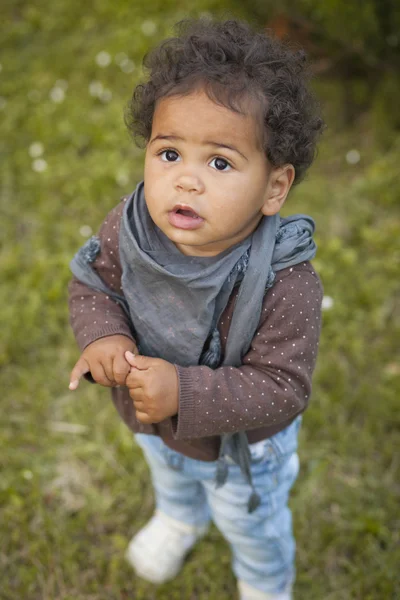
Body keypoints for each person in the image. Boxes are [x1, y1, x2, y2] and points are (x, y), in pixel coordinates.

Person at [68, 17, 324, 600]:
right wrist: (105, 337)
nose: (186, 180)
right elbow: (94, 285)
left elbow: (283, 386)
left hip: (246, 448)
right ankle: (181, 516)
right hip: (156, 423)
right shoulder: (132, 230)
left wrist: (184, 392)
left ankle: (265, 579)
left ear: (274, 188)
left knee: (250, 523)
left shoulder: (286, 280)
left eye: (220, 163)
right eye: (169, 153)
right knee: (171, 475)